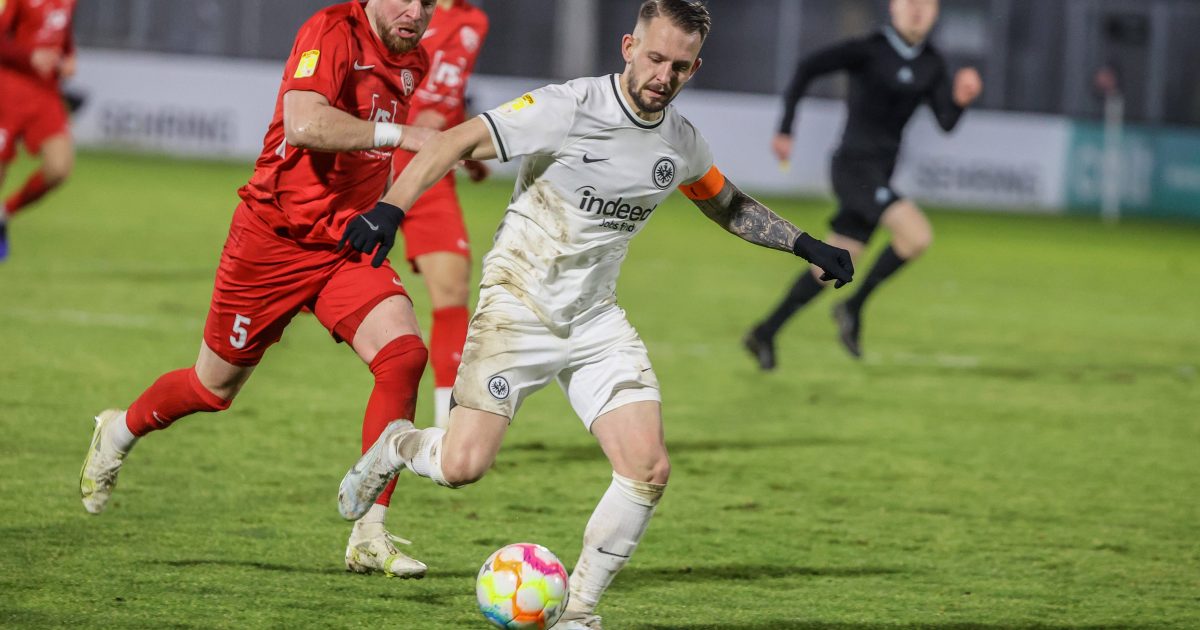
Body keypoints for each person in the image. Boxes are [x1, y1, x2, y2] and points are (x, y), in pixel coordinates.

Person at [334, 1, 854, 627]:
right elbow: (455, 140)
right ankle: (397, 443)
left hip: (593, 320)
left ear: (694, 69)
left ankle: (577, 611)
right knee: (461, 466)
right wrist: (391, 209)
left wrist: (806, 245)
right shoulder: (569, 107)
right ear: (629, 46)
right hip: (517, 305)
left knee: (647, 467)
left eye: (680, 66)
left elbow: (728, 205)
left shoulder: (681, 142)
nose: (664, 74)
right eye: (656, 57)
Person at [79, 0, 439, 579]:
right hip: (272, 241)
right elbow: (304, 123)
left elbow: (379, 157)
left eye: (429, 2)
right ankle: (118, 429)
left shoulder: (412, 58)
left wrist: (387, 208)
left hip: (343, 244)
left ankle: (369, 532)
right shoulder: (332, 30)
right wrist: (405, 133)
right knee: (212, 388)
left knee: (404, 358)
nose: (416, 12)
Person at [743, 0, 982, 368]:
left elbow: (946, 120)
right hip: (853, 168)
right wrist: (786, 128)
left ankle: (764, 332)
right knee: (916, 235)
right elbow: (807, 67)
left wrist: (961, 100)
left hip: (881, 174)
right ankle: (852, 307)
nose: (917, 9)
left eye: (927, 4)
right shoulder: (869, 49)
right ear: (893, 7)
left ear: (936, 12)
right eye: (909, 2)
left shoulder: (932, 63)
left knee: (837, 262)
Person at [391, 0, 490, 429]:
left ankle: (446, 432)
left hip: (433, 170)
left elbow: (452, 94)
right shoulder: (403, 9)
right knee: (304, 278)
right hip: (378, 158)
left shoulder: (475, 21)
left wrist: (466, 146)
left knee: (453, 292)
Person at [0, 0, 78, 262]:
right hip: (9, 87)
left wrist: (69, 55)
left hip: (46, 92)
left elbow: (63, 32)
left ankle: (4, 213)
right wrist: (29, 57)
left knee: (59, 168)